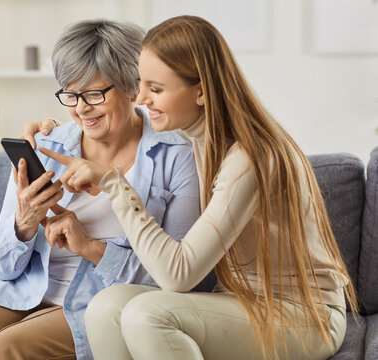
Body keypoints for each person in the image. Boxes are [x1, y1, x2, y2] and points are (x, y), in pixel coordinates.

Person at [26, 15, 357, 360]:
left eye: (156, 89)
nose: (140, 98)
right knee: (104, 306)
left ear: (200, 92)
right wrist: (53, 130)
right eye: (141, 84)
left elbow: (177, 275)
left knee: (148, 315)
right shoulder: (196, 140)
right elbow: (109, 123)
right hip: (239, 301)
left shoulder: (251, 158)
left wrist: (114, 183)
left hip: (303, 315)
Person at [0, 19, 210, 360]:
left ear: (132, 87)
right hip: (23, 290)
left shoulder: (176, 156)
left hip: (99, 300)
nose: (81, 108)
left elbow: (179, 277)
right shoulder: (46, 146)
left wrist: (91, 247)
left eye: (94, 93)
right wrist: (23, 223)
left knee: (5, 351)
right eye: (70, 93)